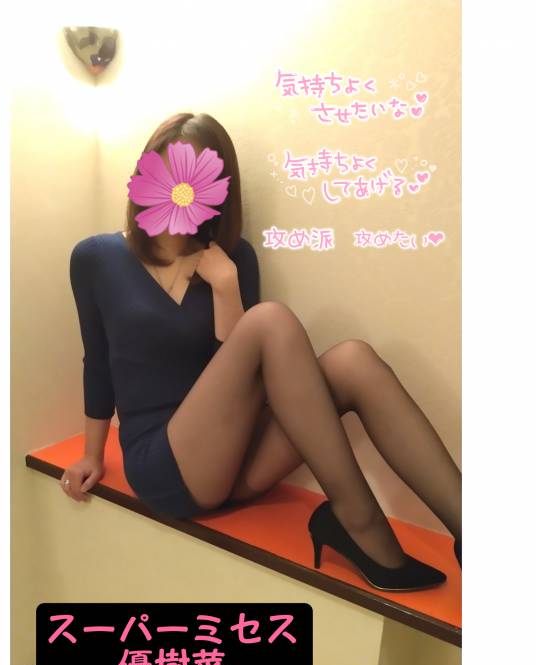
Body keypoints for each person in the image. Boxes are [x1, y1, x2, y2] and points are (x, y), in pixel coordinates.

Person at [61, 112, 462, 592]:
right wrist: (91, 455)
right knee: (269, 320)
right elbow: (97, 362)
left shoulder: (235, 258)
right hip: (166, 466)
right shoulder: (97, 258)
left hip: (238, 459)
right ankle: (361, 522)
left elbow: (241, 380)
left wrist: (226, 287)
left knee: (353, 361)